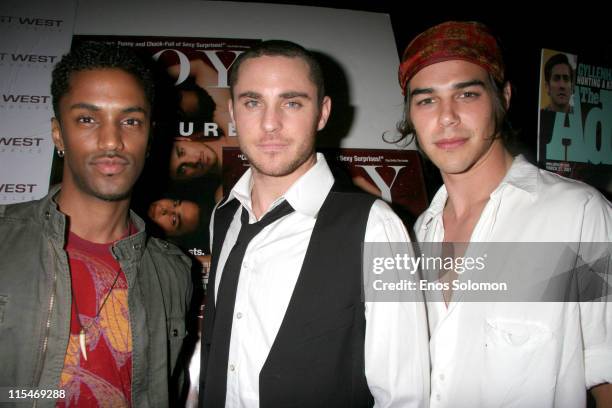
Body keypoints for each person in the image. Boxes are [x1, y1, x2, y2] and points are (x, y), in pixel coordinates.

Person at [199, 40, 429, 407]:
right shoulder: (223, 216)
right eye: (253, 102)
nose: (270, 123)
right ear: (232, 112)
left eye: (291, 103)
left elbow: (406, 395)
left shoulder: (376, 227)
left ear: (322, 113)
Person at [397, 21, 612, 407]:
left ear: (504, 97)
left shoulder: (577, 214)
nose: (446, 117)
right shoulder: (418, 232)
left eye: (466, 94)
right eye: (426, 100)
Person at [0, 42, 193, 407]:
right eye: (87, 119)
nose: (111, 141)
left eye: (130, 121)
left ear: (150, 136)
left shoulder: (172, 272)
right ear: (58, 133)